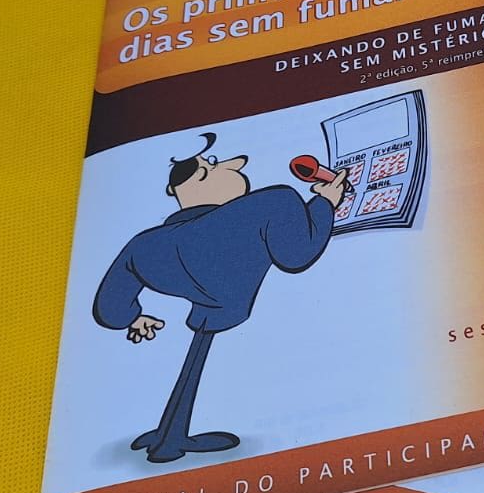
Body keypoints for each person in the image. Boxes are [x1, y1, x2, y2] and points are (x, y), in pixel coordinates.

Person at [92, 132, 349, 464]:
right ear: (198, 179)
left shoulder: (147, 243)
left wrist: (131, 318)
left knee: (200, 347)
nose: (236, 164)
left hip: (209, 306)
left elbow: (110, 300)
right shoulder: (271, 204)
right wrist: (324, 203)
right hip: (229, 309)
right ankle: (170, 440)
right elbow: (297, 254)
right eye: (212, 165)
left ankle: (169, 434)